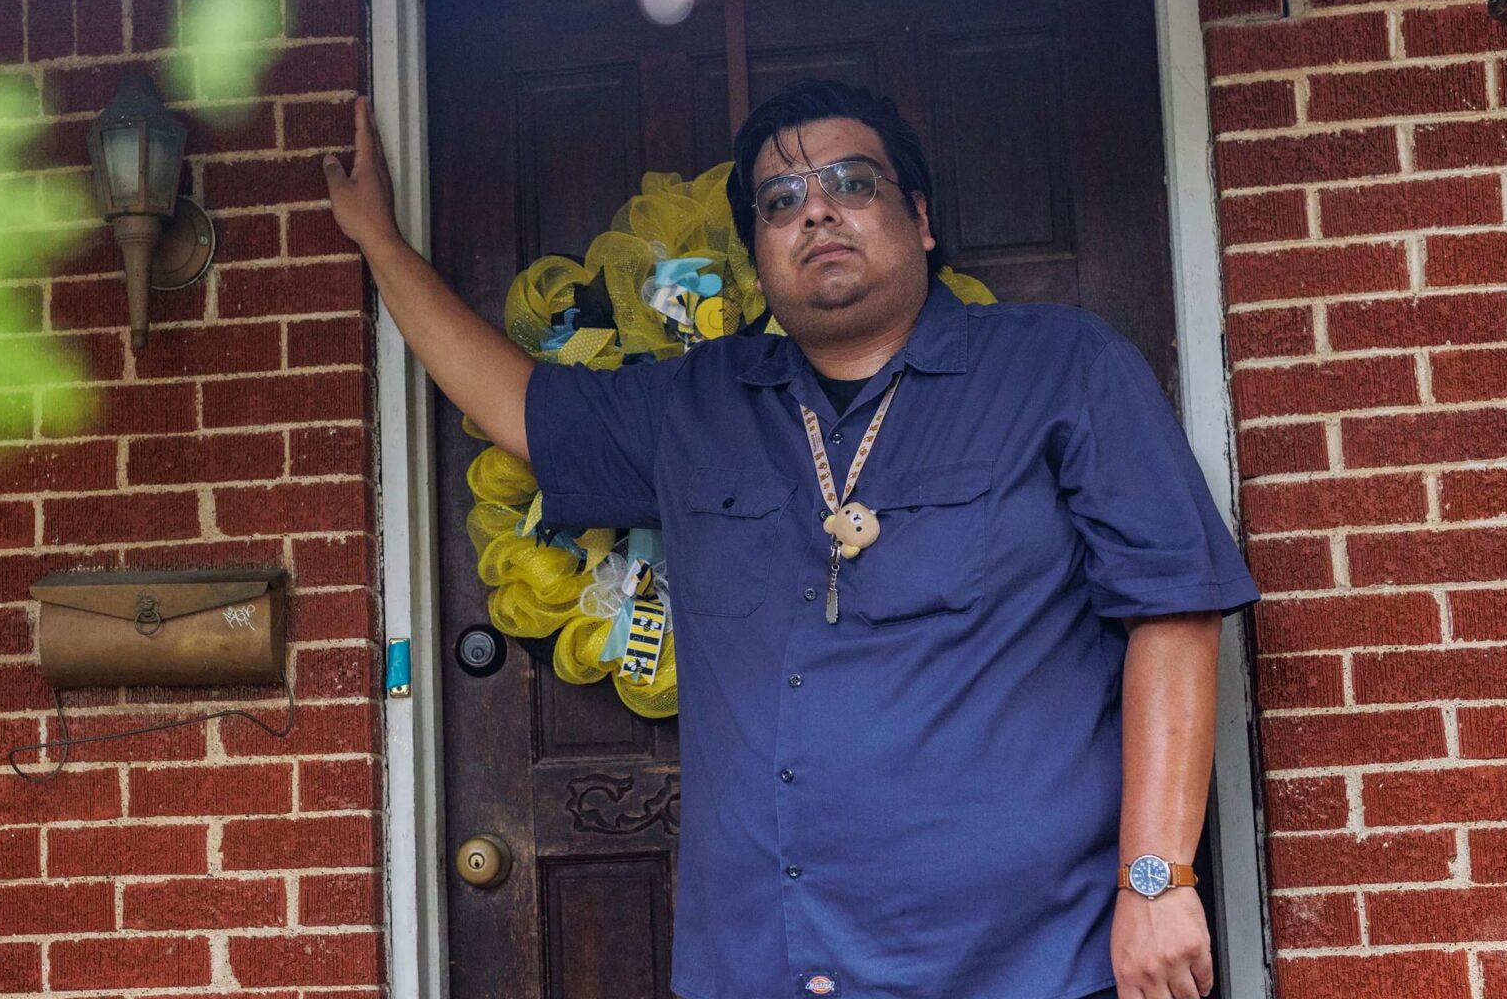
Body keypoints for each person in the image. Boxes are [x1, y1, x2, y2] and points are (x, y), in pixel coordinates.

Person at [324, 80, 1258, 999]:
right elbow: (512, 404)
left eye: (853, 183)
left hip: (1030, 965)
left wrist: (1157, 879)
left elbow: (1174, 610)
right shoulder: (696, 407)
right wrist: (379, 242)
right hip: (766, 968)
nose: (817, 212)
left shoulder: (1061, 368)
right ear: (760, 257)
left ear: (920, 218)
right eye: (781, 201)